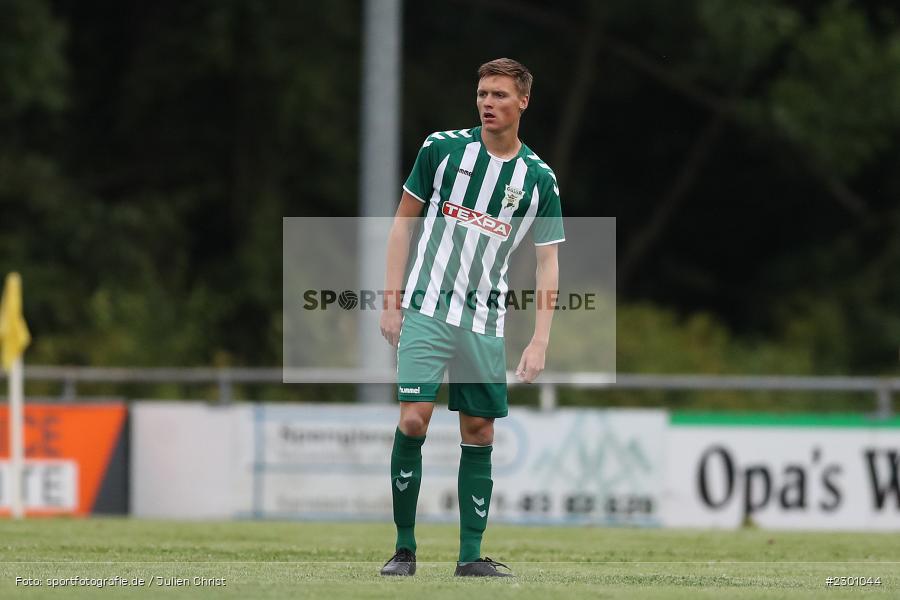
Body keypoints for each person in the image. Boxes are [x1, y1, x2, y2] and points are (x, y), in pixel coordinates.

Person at [378, 57, 564, 578]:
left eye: (500, 95)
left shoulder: (537, 178)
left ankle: (469, 557)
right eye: (483, 93)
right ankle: (404, 548)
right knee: (414, 417)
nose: (488, 102)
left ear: (523, 101)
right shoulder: (441, 150)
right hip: (428, 308)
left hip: (484, 320)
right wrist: (391, 300)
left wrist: (539, 340)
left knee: (479, 430)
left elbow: (548, 262)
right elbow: (400, 226)